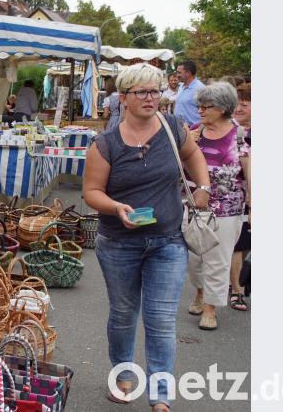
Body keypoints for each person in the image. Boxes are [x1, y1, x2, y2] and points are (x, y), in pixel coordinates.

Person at [83, 63, 211, 412]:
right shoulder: (105, 144)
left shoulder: (172, 128)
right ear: (123, 97)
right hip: (119, 243)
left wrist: (203, 186)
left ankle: (160, 396)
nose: (150, 97)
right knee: (124, 314)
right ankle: (123, 377)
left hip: (168, 241)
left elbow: (193, 156)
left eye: (155, 90)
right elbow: (91, 192)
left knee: (161, 319)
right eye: (141, 92)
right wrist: (116, 208)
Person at [186, 82, 251, 326]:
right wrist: (187, 144)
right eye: (199, 105)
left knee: (218, 259)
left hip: (227, 208)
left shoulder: (239, 135)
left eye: (206, 106)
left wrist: (251, 207)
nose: (200, 110)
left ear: (223, 108)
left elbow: (250, 173)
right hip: (193, 205)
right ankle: (200, 293)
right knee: (195, 259)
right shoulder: (194, 131)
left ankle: (210, 309)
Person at [230, 82, 251, 309]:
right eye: (237, 105)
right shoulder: (234, 131)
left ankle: (236, 280)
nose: (238, 109)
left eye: (244, 105)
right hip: (238, 194)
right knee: (238, 242)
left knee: (245, 242)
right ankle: (237, 289)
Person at [174, 60, 205, 126]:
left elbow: (205, 111)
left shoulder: (200, 88)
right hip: (180, 128)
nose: (177, 75)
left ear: (188, 73)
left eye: (179, 73)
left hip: (193, 129)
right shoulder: (181, 86)